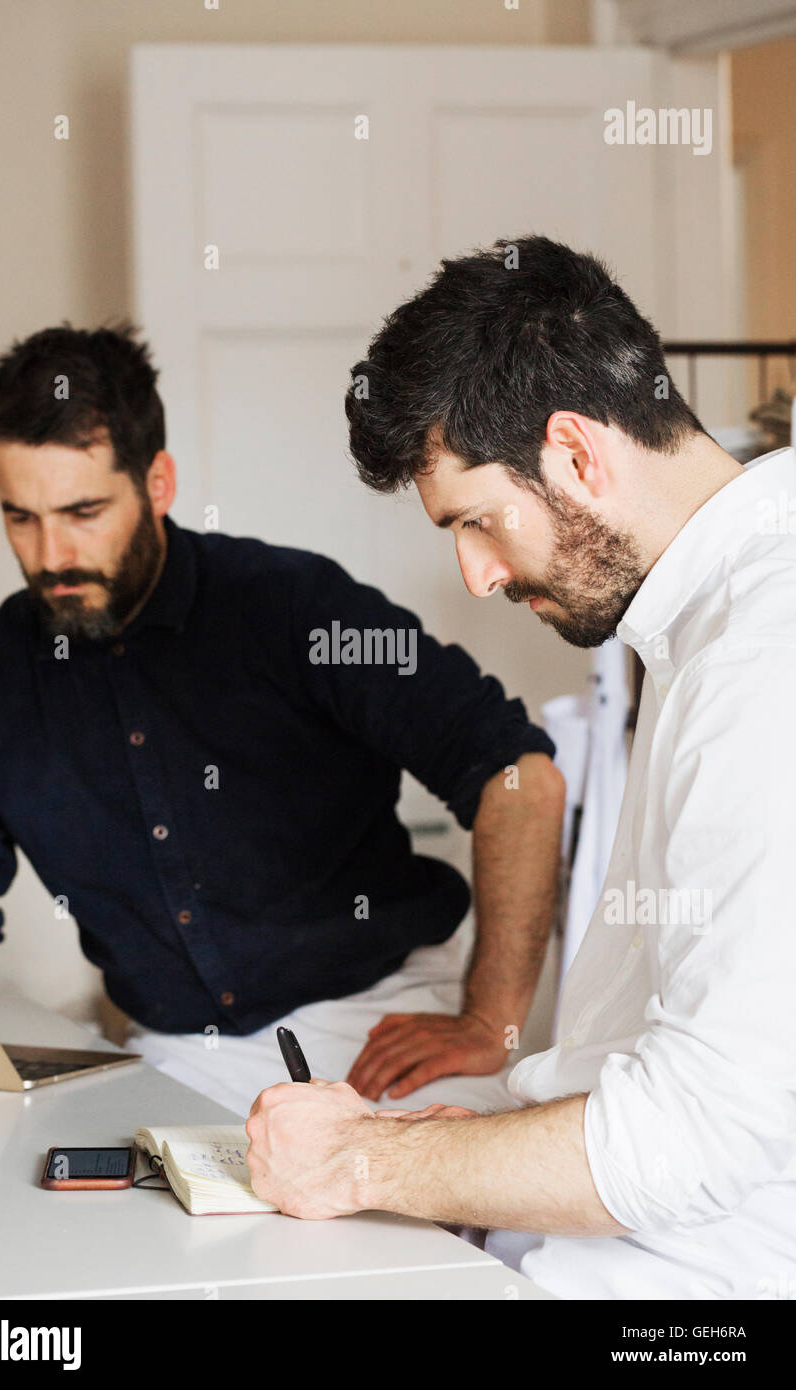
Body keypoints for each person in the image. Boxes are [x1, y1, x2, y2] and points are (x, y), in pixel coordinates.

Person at [244, 235, 796, 1300]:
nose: (478, 573)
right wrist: (459, 1141)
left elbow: (705, 1131)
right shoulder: (709, 610)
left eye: (478, 521)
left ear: (576, 454)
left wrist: (364, 1158)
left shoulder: (760, 657)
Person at [0, 323, 565, 1119]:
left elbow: (517, 773)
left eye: (83, 511)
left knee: (425, 1239)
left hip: (383, 1025)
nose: (52, 552)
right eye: (20, 517)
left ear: (156, 482)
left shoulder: (294, 606)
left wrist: (488, 1019)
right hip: (178, 1053)